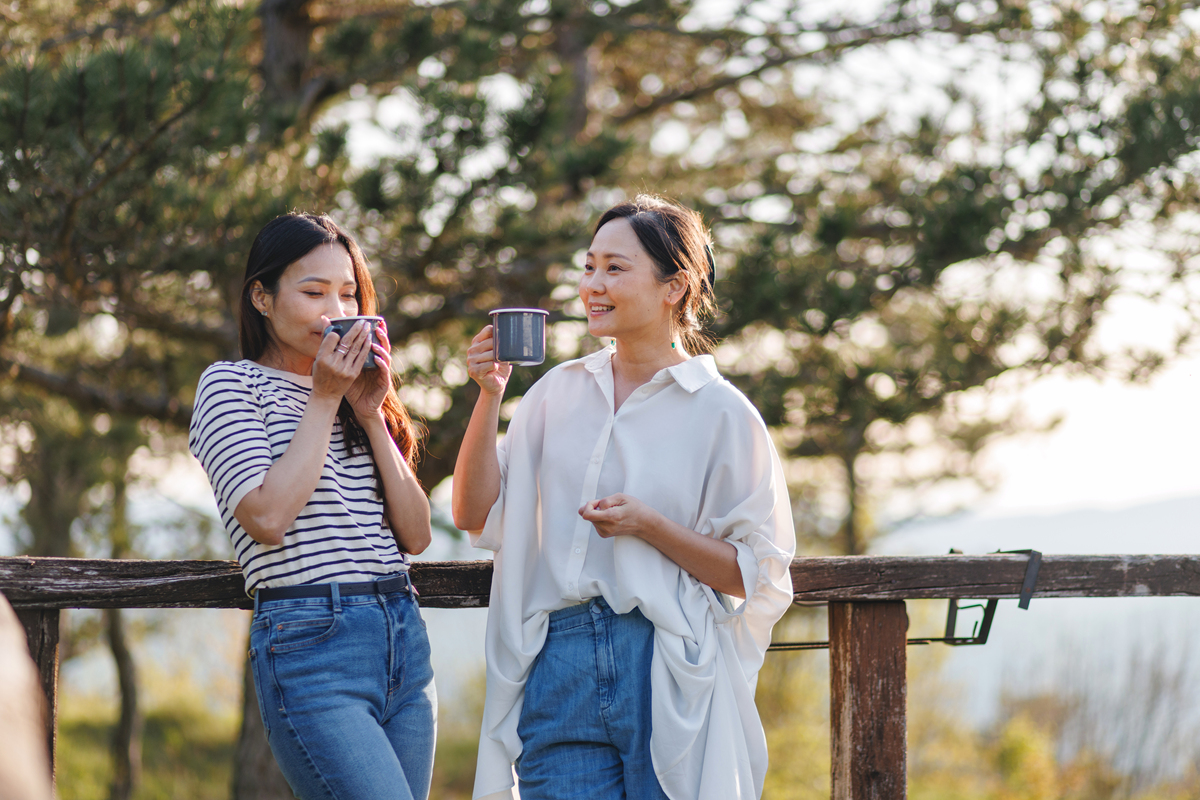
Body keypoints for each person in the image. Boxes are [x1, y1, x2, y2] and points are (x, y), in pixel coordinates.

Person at [453, 195, 796, 800]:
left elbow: (752, 576)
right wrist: (488, 395)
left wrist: (650, 526)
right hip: (557, 660)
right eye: (589, 267)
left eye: (615, 268)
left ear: (674, 287)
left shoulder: (722, 412)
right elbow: (473, 513)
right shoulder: (555, 392)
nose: (593, 285)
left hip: (664, 663)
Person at [188, 213, 436, 800]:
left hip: (401, 628)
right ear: (262, 298)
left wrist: (371, 414)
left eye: (348, 294)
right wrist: (324, 398)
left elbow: (416, 534)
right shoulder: (230, 385)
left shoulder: (357, 396)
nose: (336, 310)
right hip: (311, 638)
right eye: (314, 292)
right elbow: (267, 518)